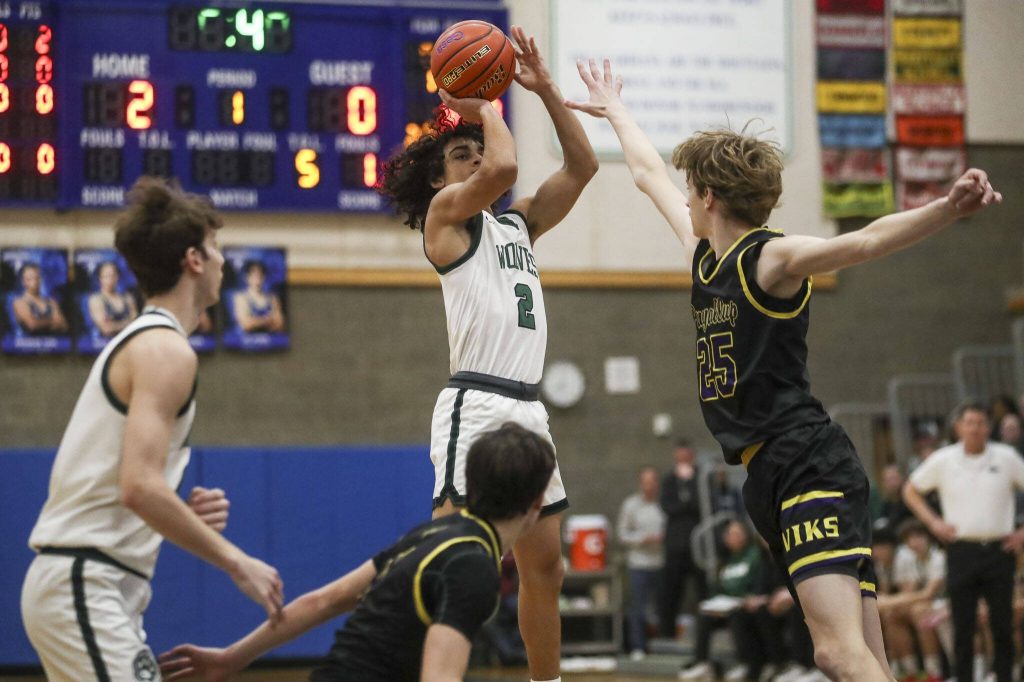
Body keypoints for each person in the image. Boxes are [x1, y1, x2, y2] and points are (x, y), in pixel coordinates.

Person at [568, 57, 1002, 682]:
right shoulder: (702, 259)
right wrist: (616, 111)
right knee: (868, 659)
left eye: (691, 189)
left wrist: (946, 208)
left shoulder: (769, 258)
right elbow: (645, 173)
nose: (683, 197)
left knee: (834, 652)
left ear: (710, 197)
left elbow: (866, 242)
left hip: (805, 461)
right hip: (771, 473)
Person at [377, 25, 597, 682]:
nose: (476, 160)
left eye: (477, 149)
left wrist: (546, 90)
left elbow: (582, 167)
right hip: (475, 402)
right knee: (453, 562)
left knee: (546, 566)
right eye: (460, 154)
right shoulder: (445, 221)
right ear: (442, 177)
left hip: (530, 409)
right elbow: (504, 166)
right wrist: (483, 103)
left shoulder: (518, 224)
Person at [20, 177, 284, 681]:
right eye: (216, 248)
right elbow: (138, 487)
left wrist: (177, 511)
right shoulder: (165, 349)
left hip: (92, 581)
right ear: (193, 260)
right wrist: (236, 562)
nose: (224, 262)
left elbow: (132, 488)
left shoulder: (150, 342)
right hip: (84, 578)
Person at [158, 423, 556, 682]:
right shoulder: (474, 568)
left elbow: (324, 600)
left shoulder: (435, 535)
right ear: (539, 502)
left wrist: (231, 657)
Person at [903, 400, 1024, 682]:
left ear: (989, 427)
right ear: (958, 427)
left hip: (1000, 549)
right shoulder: (943, 459)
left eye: (981, 423)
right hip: (961, 551)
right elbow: (910, 489)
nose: (975, 428)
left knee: (1002, 625)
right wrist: (933, 522)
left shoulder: (1006, 457)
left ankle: (1005, 677)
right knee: (963, 626)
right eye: (969, 423)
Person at [679, 520, 763, 681]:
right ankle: (702, 663)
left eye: (737, 533)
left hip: (743, 606)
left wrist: (748, 597)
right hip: (725, 607)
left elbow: (759, 584)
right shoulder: (725, 560)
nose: (733, 537)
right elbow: (716, 588)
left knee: (737, 617)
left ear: (746, 535)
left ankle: (745, 663)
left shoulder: (754, 555)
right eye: (730, 534)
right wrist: (712, 604)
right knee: (704, 616)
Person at [877, 519, 946, 682]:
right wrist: (889, 603)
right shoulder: (916, 560)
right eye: (909, 539)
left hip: (946, 603)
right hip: (930, 605)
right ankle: (909, 672)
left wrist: (886, 601)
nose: (914, 543)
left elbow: (927, 594)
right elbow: (909, 594)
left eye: (918, 537)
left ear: (928, 537)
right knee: (892, 615)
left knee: (919, 612)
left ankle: (934, 673)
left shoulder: (938, 557)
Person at [660, 439, 707, 638]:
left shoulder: (702, 478)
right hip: (675, 545)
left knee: (703, 592)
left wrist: (688, 484)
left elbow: (702, 504)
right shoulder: (669, 480)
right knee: (670, 593)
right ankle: (666, 635)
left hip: (698, 544)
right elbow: (667, 507)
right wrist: (685, 504)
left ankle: (705, 635)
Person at [617, 465, 666, 657]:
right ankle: (637, 646)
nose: (649, 486)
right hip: (638, 564)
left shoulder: (663, 504)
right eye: (645, 482)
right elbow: (622, 534)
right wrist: (641, 539)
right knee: (638, 607)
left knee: (662, 607)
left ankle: (660, 646)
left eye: (652, 482)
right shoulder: (631, 505)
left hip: (661, 562)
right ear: (640, 483)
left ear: (657, 483)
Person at [12, 262, 68, 334]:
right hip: (28, 344)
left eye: (37, 277)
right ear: (23, 281)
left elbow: (64, 325)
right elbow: (32, 325)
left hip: (54, 343)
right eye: (30, 278)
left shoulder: (51, 302)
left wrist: (41, 322)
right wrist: (52, 321)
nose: (35, 281)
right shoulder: (19, 302)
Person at [88, 260, 138, 338]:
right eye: (106, 276)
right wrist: (128, 323)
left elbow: (136, 323)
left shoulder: (128, 298)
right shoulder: (96, 300)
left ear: (117, 277)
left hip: (128, 342)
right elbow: (106, 329)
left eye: (112, 275)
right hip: (105, 345)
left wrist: (114, 325)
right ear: (100, 278)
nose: (110, 279)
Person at [231, 260, 285, 333]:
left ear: (264, 277)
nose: (257, 279)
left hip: (270, 340)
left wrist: (255, 321)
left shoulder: (272, 298)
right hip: (246, 341)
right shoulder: (241, 298)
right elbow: (246, 324)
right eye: (254, 275)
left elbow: (280, 324)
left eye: (260, 275)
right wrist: (268, 320)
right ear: (247, 278)